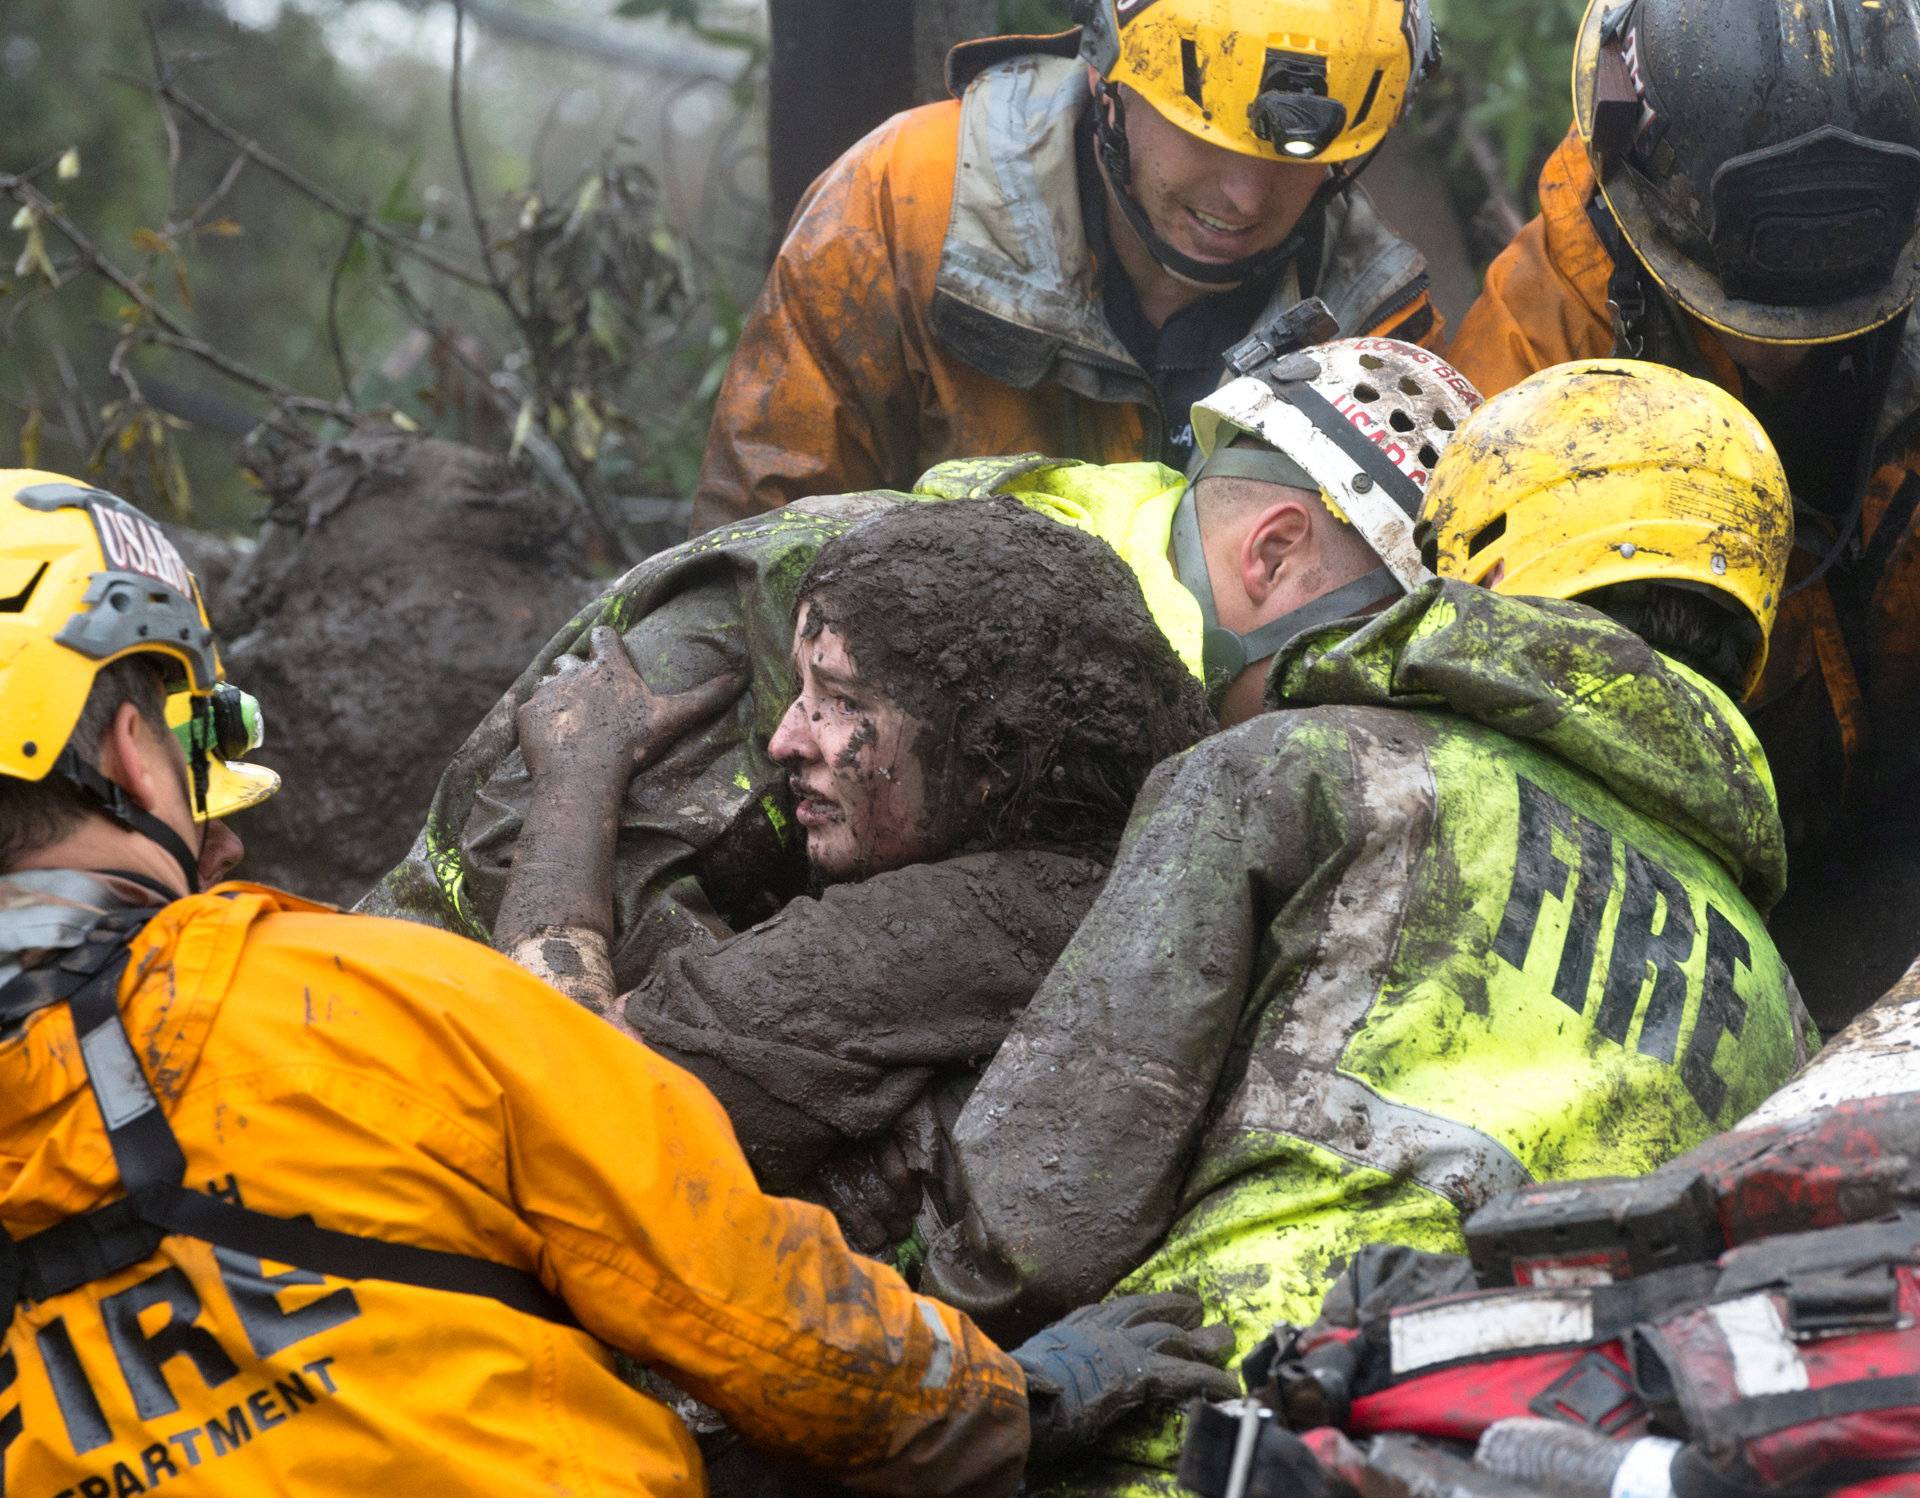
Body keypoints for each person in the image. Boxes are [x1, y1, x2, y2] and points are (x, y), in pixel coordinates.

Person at [0, 471, 1232, 1496]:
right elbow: (734, 1287)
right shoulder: (373, 996)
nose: (787, 739)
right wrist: (1020, 1399)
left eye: (836, 704)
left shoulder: (998, 910)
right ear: (128, 750)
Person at [918, 362, 1819, 1495]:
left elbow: (1034, 1220)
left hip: (1204, 1447)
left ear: (1473, 563)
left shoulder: (1315, 765)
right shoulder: (1787, 1015)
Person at [485, 499, 1212, 1239]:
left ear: (992, 753)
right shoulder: (1134, 840)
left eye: (838, 701)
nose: (784, 740)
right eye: (800, 692)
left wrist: (578, 773)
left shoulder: (952, 928)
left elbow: (562, 1087)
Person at [1443, 0, 1920, 1019]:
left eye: (1828, 318)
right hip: (1698, 908)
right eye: (1747, 317)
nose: (1787, 349)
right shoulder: (1535, 356)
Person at [691, 0, 1447, 535]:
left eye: (1290, 157)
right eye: (1202, 135)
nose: (1245, 196)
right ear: (1106, 78)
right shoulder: (902, 204)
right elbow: (759, 537)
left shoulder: (1378, 328)